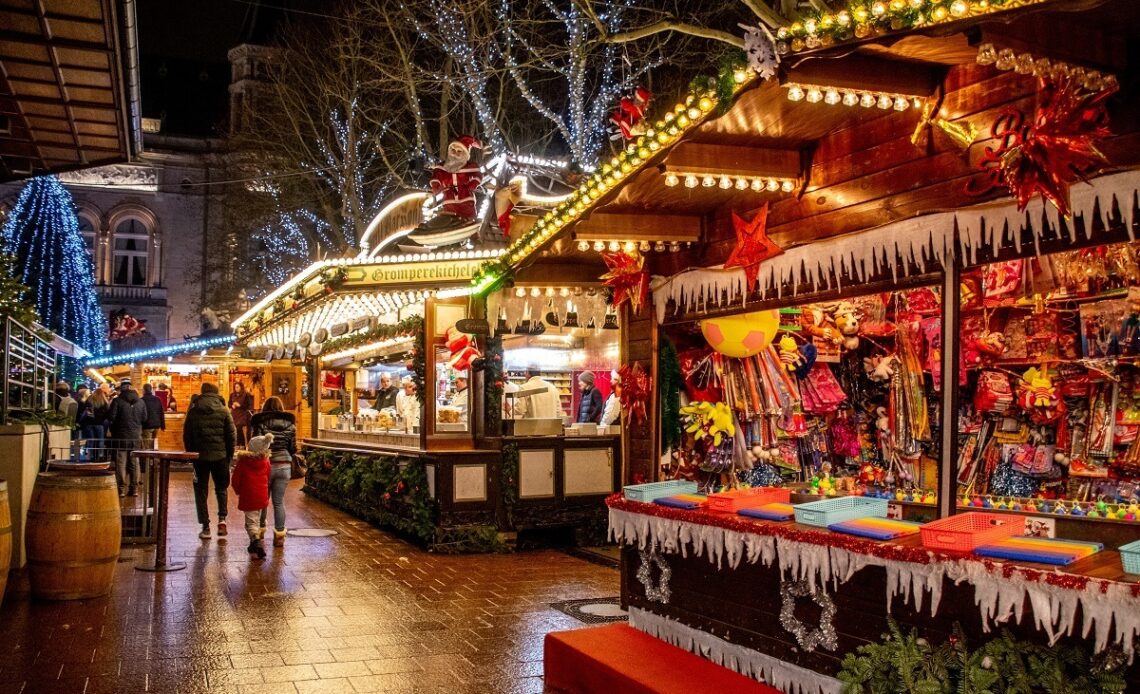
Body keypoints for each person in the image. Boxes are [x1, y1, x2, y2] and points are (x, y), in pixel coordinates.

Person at [184, 382, 236, 539]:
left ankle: (205, 526)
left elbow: (187, 435)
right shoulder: (224, 410)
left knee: (201, 490)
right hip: (220, 457)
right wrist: (229, 456)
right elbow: (231, 436)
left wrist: (191, 454)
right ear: (216, 393)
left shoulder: (194, 411)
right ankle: (222, 520)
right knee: (221, 488)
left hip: (199, 457)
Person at [251, 397, 295, 548]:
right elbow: (293, 448)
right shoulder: (290, 424)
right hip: (285, 465)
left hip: (266, 464)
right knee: (279, 501)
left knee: (264, 500)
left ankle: (260, 531)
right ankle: (279, 537)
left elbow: (255, 445)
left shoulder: (260, 422)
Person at [230, 433, 271, 560]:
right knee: (257, 519)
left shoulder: (243, 462)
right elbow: (268, 477)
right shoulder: (266, 461)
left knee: (251, 522)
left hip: (249, 495)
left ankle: (256, 541)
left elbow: (235, 479)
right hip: (262, 494)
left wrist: (238, 490)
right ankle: (253, 544)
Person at [107, 379, 147, 496]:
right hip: (136, 436)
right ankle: (134, 489)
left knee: (121, 463)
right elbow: (144, 418)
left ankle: (121, 489)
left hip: (120, 436)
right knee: (135, 462)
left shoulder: (117, 401)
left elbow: (111, 417)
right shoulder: (140, 402)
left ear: (121, 389)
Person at [141, 383, 166, 450]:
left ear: (143, 390)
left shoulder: (142, 400)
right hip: (156, 425)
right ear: (151, 390)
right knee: (153, 446)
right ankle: (152, 460)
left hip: (146, 426)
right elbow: (161, 412)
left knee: (146, 447)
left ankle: (147, 460)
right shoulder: (157, 399)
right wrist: (163, 425)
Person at [229, 381, 254, 447]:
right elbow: (229, 404)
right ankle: (238, 444)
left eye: (237, 387)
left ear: (241, 387)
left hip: (242, 414)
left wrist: (240, 405)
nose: (236, 388)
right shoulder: (232, 395)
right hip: (234, 414)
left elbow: (248, 405)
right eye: (235, 387)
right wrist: (232, 405)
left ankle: (242, 444)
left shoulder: (246, 395)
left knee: (239, 427)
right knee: (236, 428)